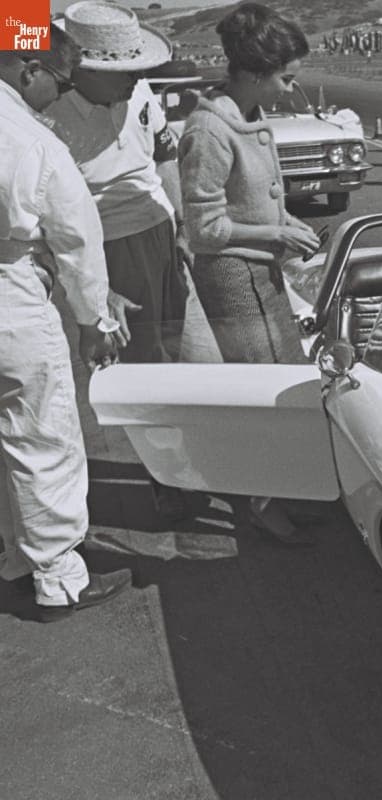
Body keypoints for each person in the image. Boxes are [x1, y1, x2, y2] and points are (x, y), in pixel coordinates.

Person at [0, 25, 134, 621]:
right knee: (40, 434)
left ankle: (16, 557)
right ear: (28, 66)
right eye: (57, 78)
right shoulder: (31, 141)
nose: (58, 91)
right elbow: (78, 238)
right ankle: (59, 577)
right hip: (10, 294)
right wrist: (94, 319)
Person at [178, 2, 323, 545]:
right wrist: (276, 235)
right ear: (257, 73)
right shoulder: (210, 131)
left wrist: (288, 224)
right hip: (234, 281)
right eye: (286, 77)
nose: (292, 88)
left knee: (284, 384)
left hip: (260, 272)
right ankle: (260, 500)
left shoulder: (251, 116)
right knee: (260, 397)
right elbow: (206, 230)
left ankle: (282, 487)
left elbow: (260, 201)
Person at [45, 1, 194, 520]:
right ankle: (160, 477)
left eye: (135, 70)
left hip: (158, 230)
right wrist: (93, 285)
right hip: (106, 245)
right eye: (119, 73)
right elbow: (56, 220)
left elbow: (165, 153)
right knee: (133, 367)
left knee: (174, 351)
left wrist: (180, 226)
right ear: (78, 67)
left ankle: (183, 463)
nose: (133, 80)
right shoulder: (47, 116)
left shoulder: (140, 91)